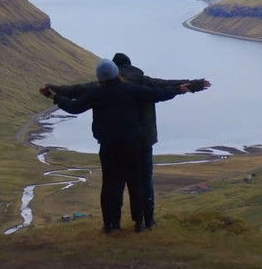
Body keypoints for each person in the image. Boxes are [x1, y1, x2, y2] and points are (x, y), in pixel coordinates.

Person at [42, 54, 209, 230]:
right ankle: (142, 223)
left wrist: (53, 94)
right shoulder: (136, 87)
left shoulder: (96, 91)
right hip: (136, 145)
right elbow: (161, 91)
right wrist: (188, 87)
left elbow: (75, 100)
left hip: (108, 146)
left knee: (111, 186)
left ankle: (111, 225)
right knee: (139, 184)